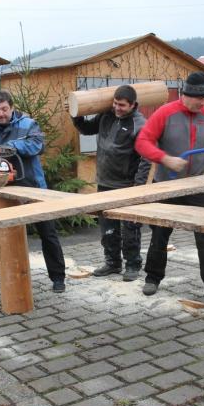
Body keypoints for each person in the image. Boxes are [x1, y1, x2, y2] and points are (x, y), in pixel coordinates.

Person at [134, 71, 204, 303]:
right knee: (160, 235)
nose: (202, 103)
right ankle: (152, 278)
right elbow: (142, 142)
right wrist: (164, 158)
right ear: (184, 94)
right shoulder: (165, 113)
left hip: (196, 186)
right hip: (166, 185)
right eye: (197, 99)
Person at [0, 90, 67, 293]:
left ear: (12, 107)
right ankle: (14, 281)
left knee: (48, 234)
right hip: (4, 191)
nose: (1, 113)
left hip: (35, 188)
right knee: (9, 235)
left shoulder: (28, 125)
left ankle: (58, 277)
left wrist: (11, 146)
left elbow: (37, 145)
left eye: (4, 109)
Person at [69, 85, 151, 282]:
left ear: (133, 104)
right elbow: (87, 129)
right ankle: (112, 263)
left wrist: (138, 187)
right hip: (105, 182)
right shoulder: (107, 115)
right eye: (115, 103)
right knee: (108, 228)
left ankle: (132, 264)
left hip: (126, 185)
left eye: (121, 105)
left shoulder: (139, 125)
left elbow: (146, 159)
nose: (117, 108)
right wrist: (75, 114)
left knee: (130, 229)